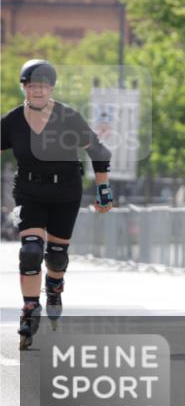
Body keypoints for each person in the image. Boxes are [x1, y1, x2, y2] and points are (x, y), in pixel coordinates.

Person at [0, 60, 113, 349]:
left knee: (57, 257)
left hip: (65, 191)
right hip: (29, 191)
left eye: (43, 85)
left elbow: (98, 150)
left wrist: (103, 187)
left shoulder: (68, 117)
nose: (37, 90)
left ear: (51, 88)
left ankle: (54, 286)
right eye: (32, 85)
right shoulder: (12, 121)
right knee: (30, 251)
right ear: (24, 87)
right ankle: (29, 309)